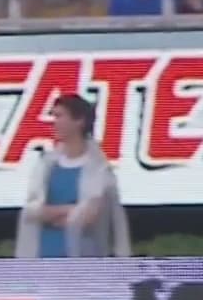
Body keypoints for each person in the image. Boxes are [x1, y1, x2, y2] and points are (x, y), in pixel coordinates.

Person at [14, 95, 132, 259]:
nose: (54, 122)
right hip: (43, 259)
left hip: (83, 261)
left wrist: (51, 214)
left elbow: (91, 215)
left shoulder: (98, 169)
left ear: (79, 121)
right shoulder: (46, 165)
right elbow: (32, 210)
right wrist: (71, 209)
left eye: (60, 116)